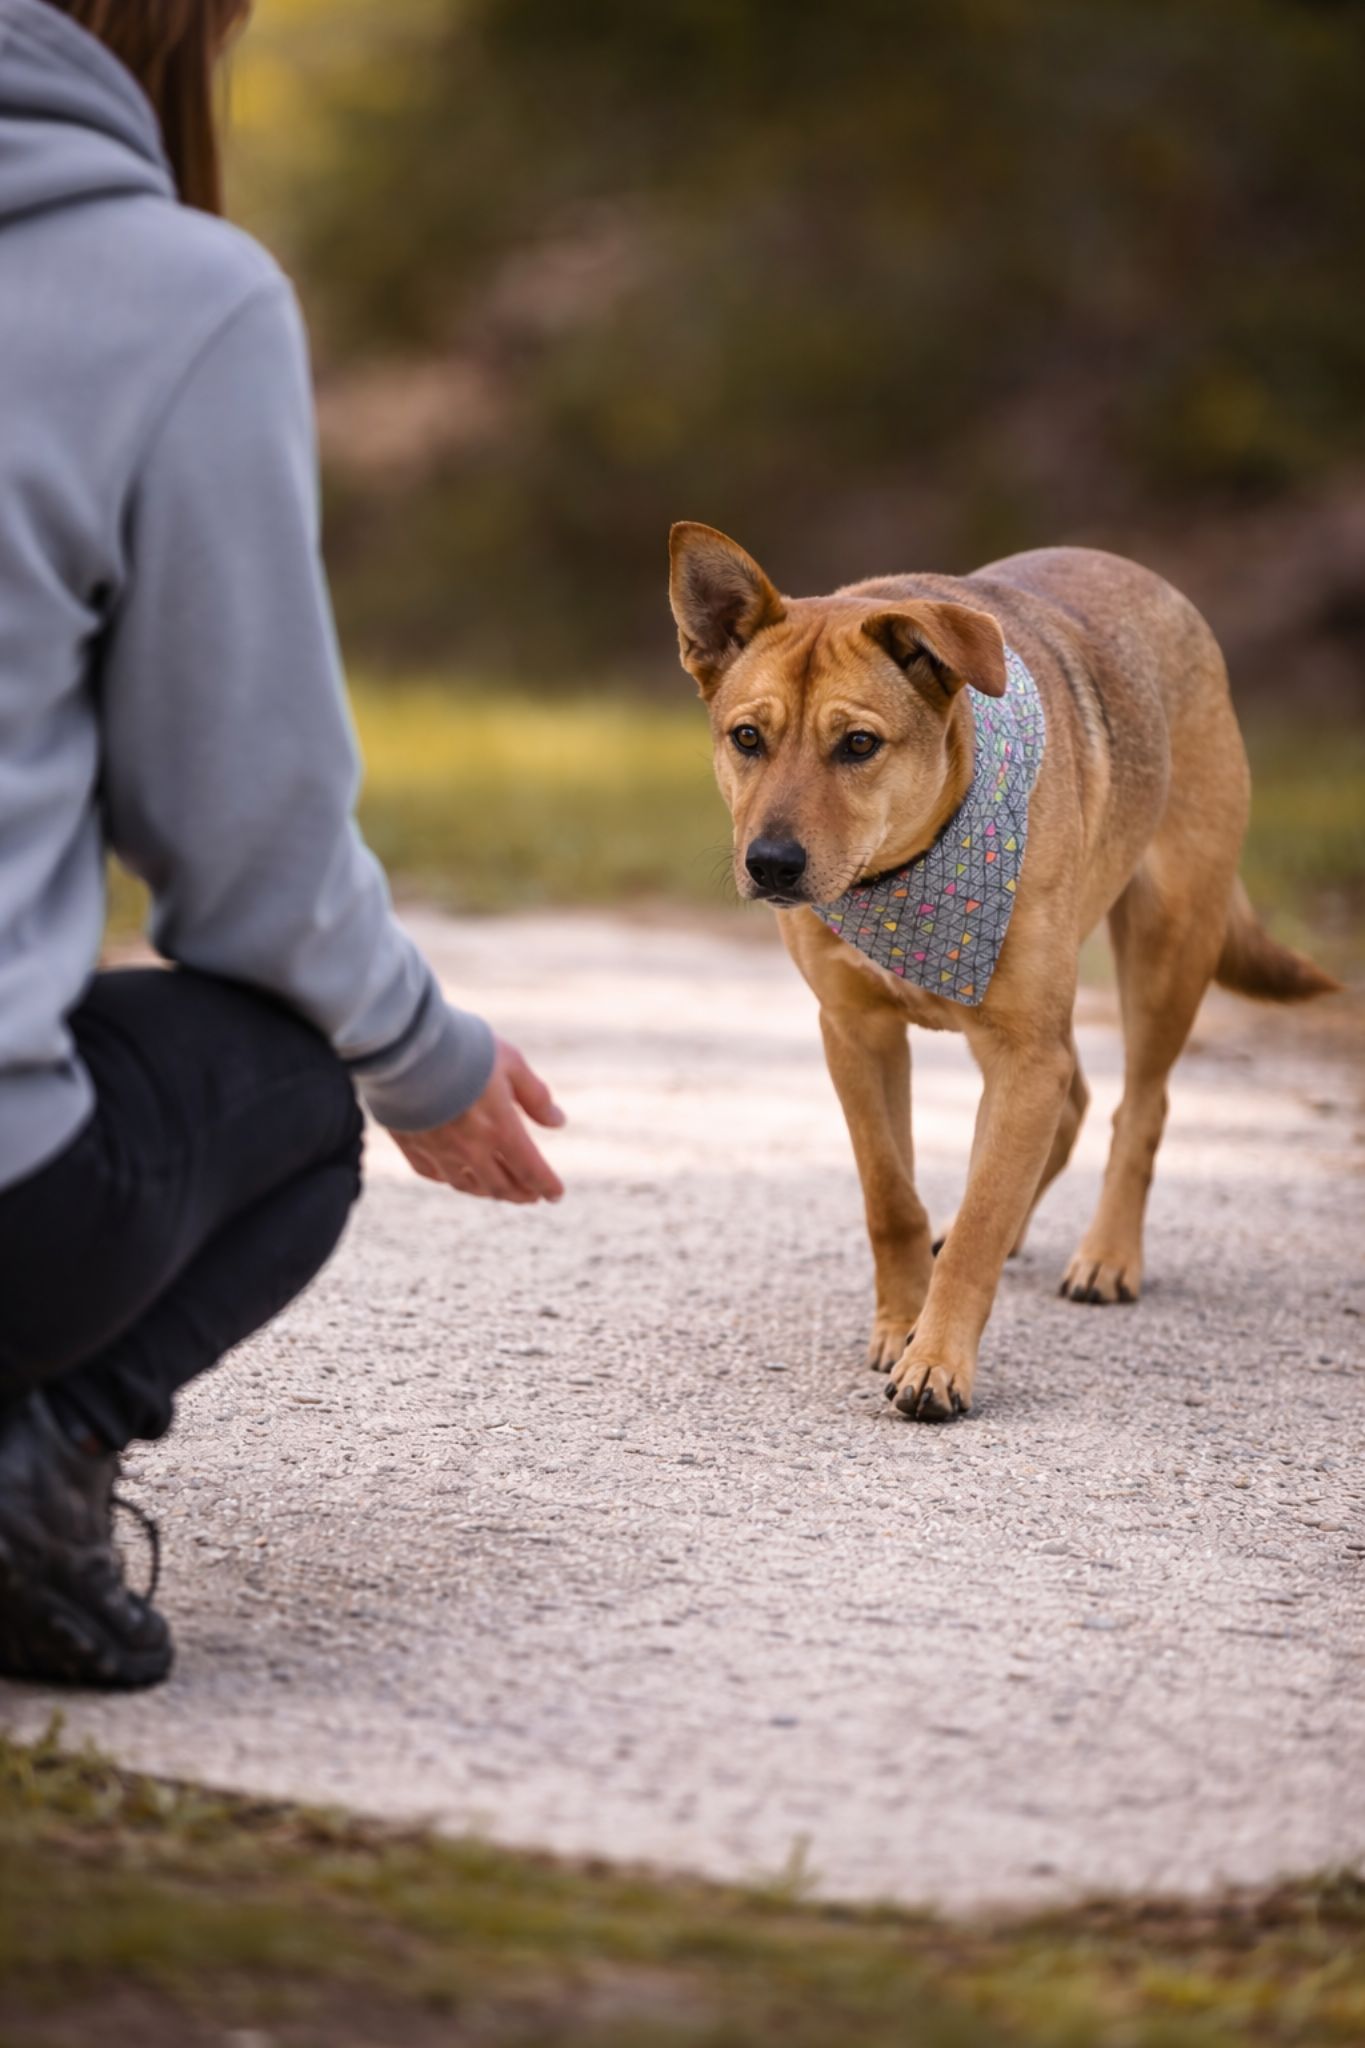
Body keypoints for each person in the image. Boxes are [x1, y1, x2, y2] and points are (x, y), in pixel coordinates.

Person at [0, 0, 565, 1692]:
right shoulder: (170, 292)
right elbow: (247, 856)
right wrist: (415, 1051)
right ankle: (33, 1471)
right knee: (285, 1087)